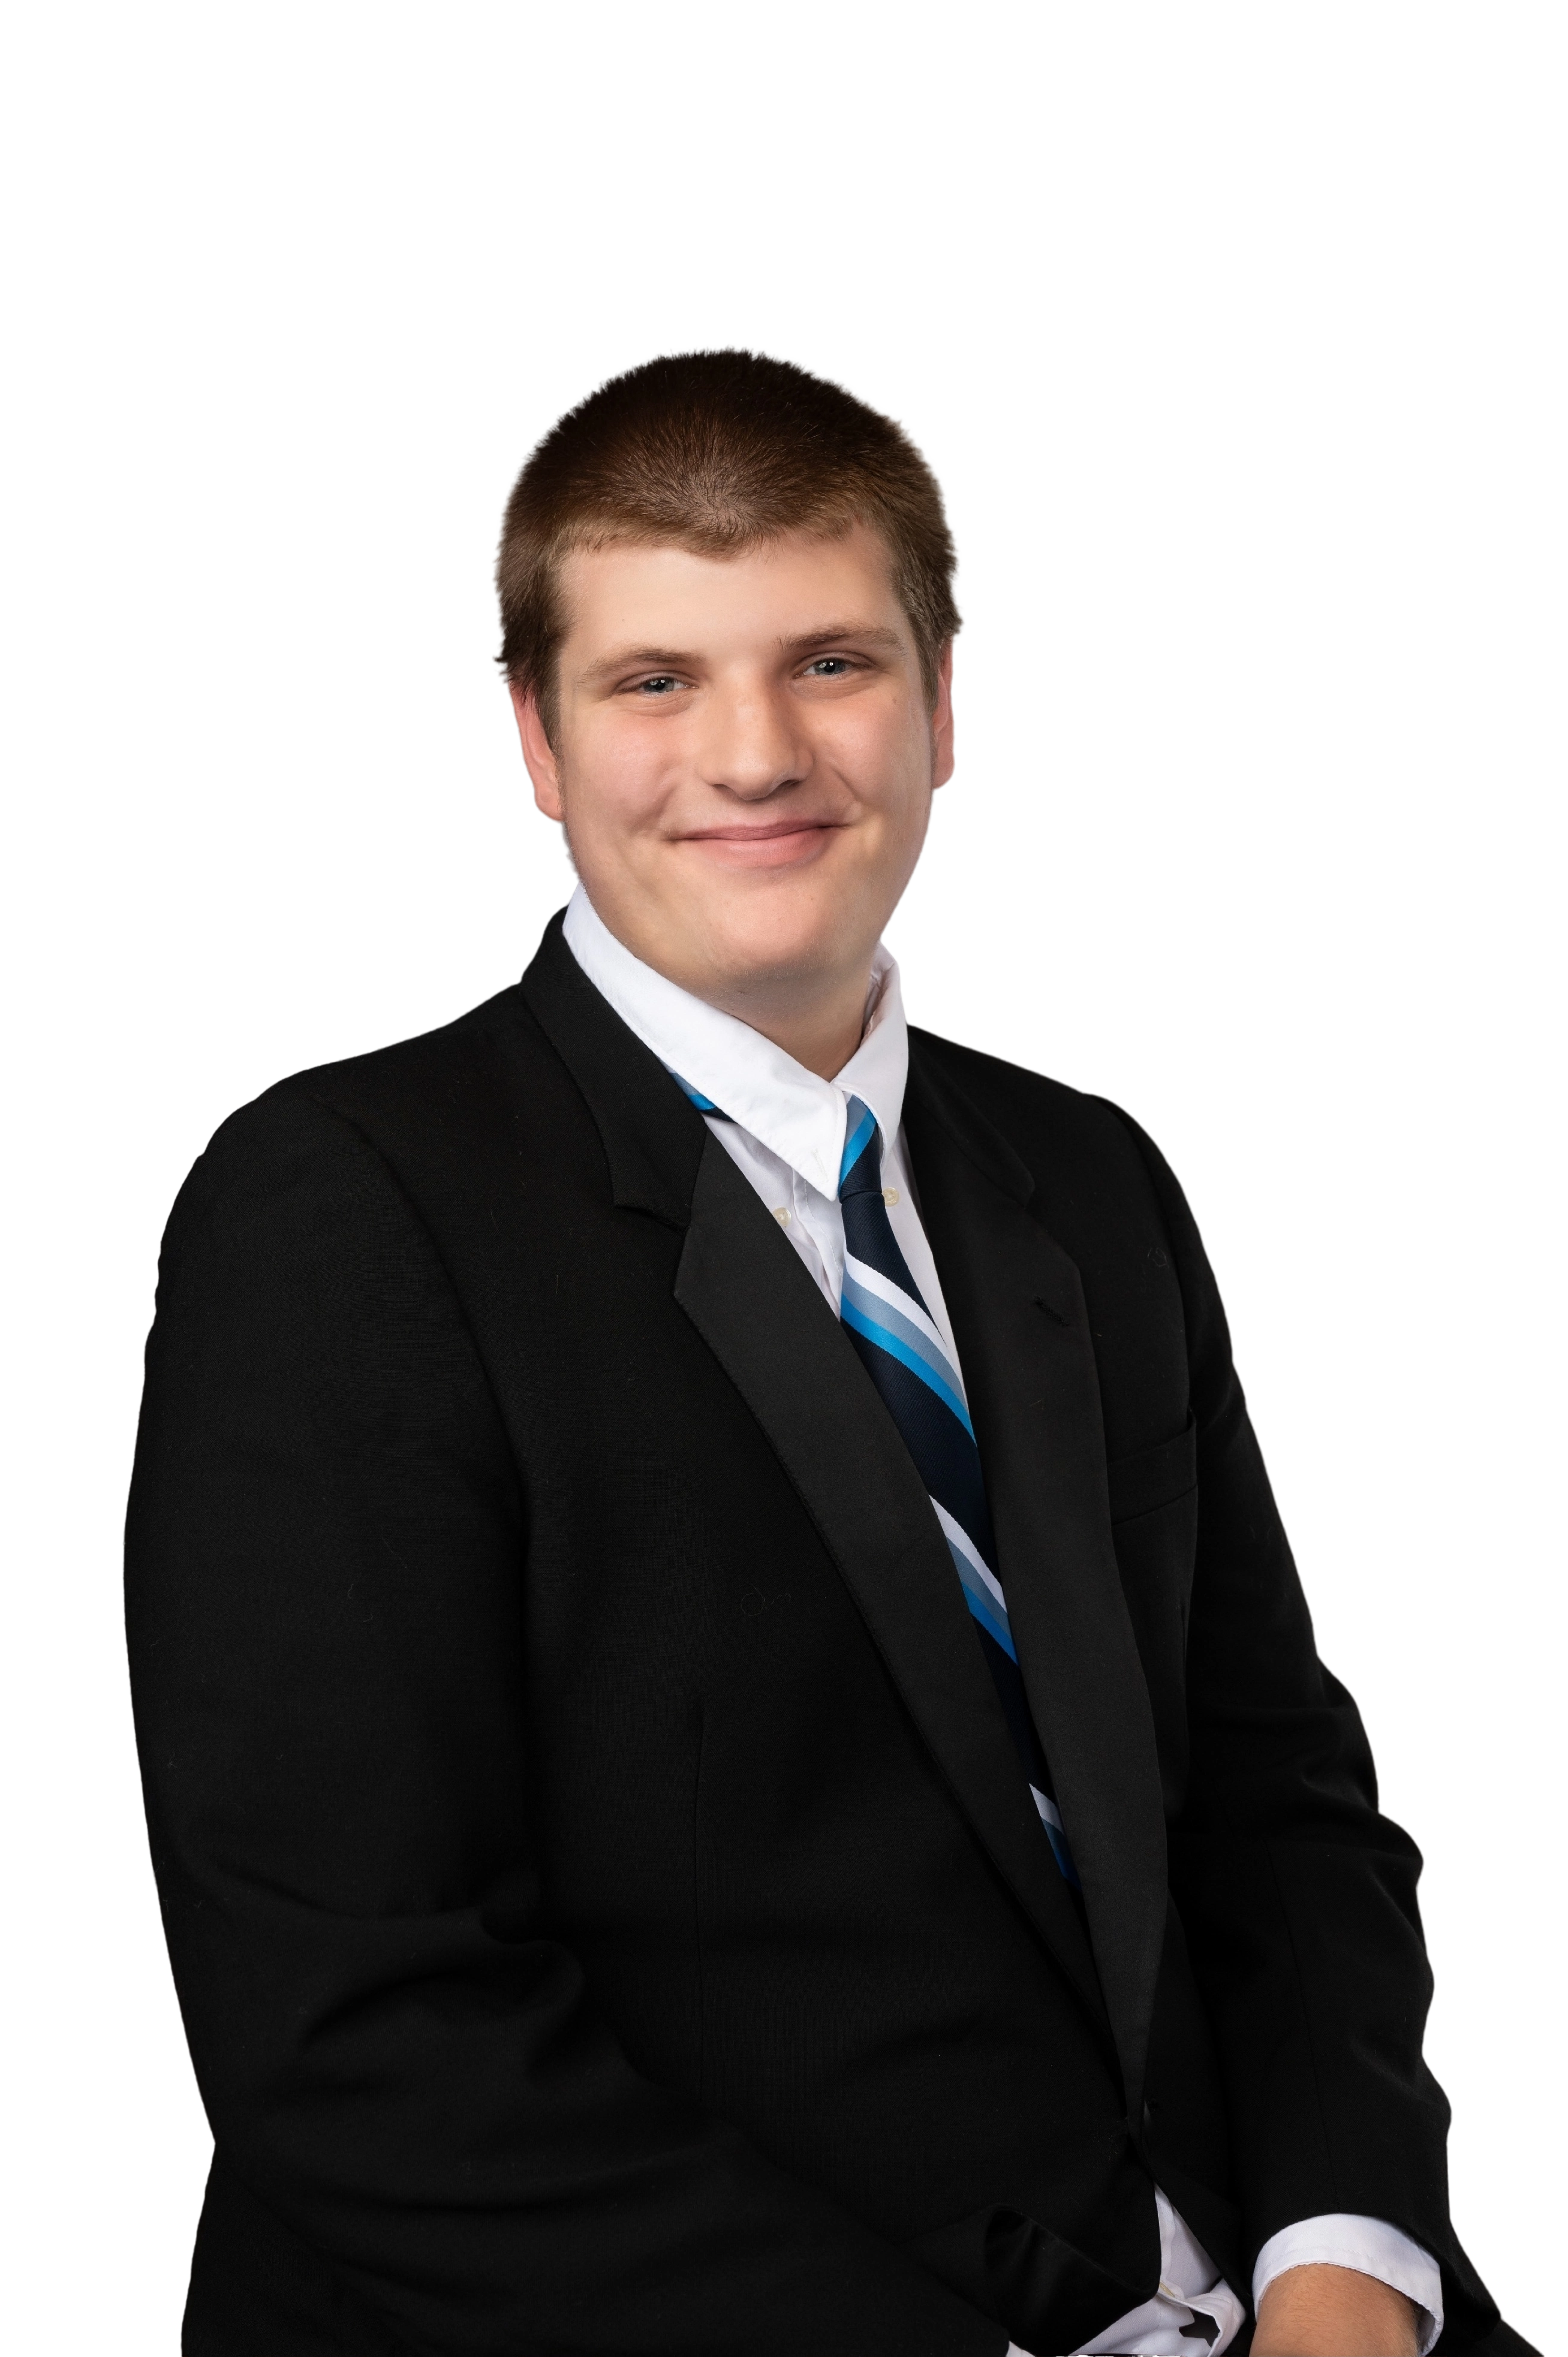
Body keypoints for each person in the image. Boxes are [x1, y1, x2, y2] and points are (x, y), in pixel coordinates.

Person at [121, 342, 1535, 2357]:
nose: (755, 754)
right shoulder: (343, 1205)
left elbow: (1275, 1793)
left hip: (1263, 2286)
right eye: (653, 680)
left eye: (830, 662)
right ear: (535, 742)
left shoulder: (1085, 1174)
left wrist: (1341, 2258)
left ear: (944, 704)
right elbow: (354, 2028)